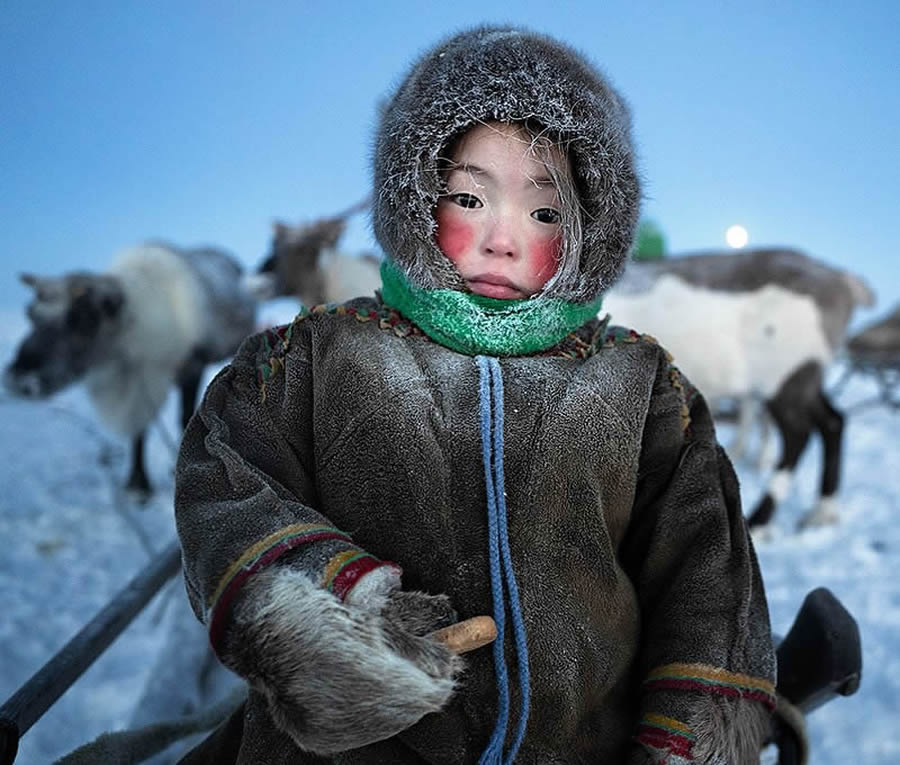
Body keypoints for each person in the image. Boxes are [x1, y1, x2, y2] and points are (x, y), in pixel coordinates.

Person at [175, 26, 776, 764]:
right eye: (469, 196)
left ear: (593, 225)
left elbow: (706, 572)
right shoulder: (318, 358)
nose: (503, 238)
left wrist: (687, 732)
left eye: (545, 212)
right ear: (415, 199)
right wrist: (327, 610)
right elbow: (228, 478)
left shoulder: (642, 388)